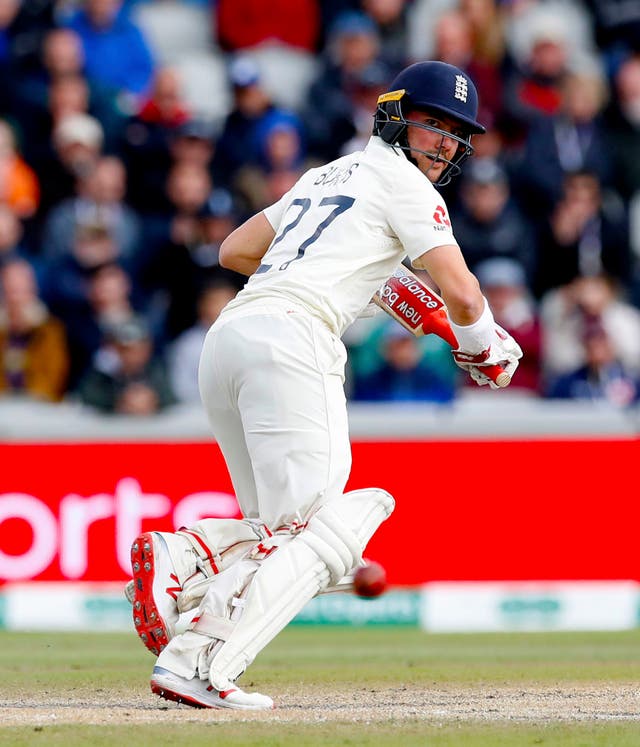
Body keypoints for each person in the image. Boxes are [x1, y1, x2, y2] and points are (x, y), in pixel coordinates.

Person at [128, 61, 522, 710]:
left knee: (278, 534)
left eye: (456, 135)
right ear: (395, 116)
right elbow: (462, 290)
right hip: (292, 340)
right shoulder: (405, 185)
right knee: (326, 532)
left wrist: (367, 282)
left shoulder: (328, 173)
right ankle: (199, 653)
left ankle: (189, 555)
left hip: (227, 340)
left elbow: (234, 251)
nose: (446, 144)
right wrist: (484, 348)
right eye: (433, 126)